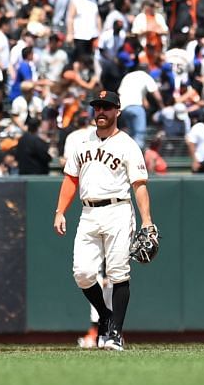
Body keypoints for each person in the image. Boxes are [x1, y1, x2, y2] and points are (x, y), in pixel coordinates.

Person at [52, 91, 154, 352]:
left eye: (106, 107)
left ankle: (116, 334)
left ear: (117, 111)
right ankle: (105, 315)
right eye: (97, 107)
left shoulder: (127, 145)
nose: (101, 112)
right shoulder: (82, 143)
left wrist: (147, 222)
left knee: (119, 272)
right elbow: (70, 179)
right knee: (82, 273)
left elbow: (139, 185)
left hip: (118, 210)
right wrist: (60, 211)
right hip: (88, 212)